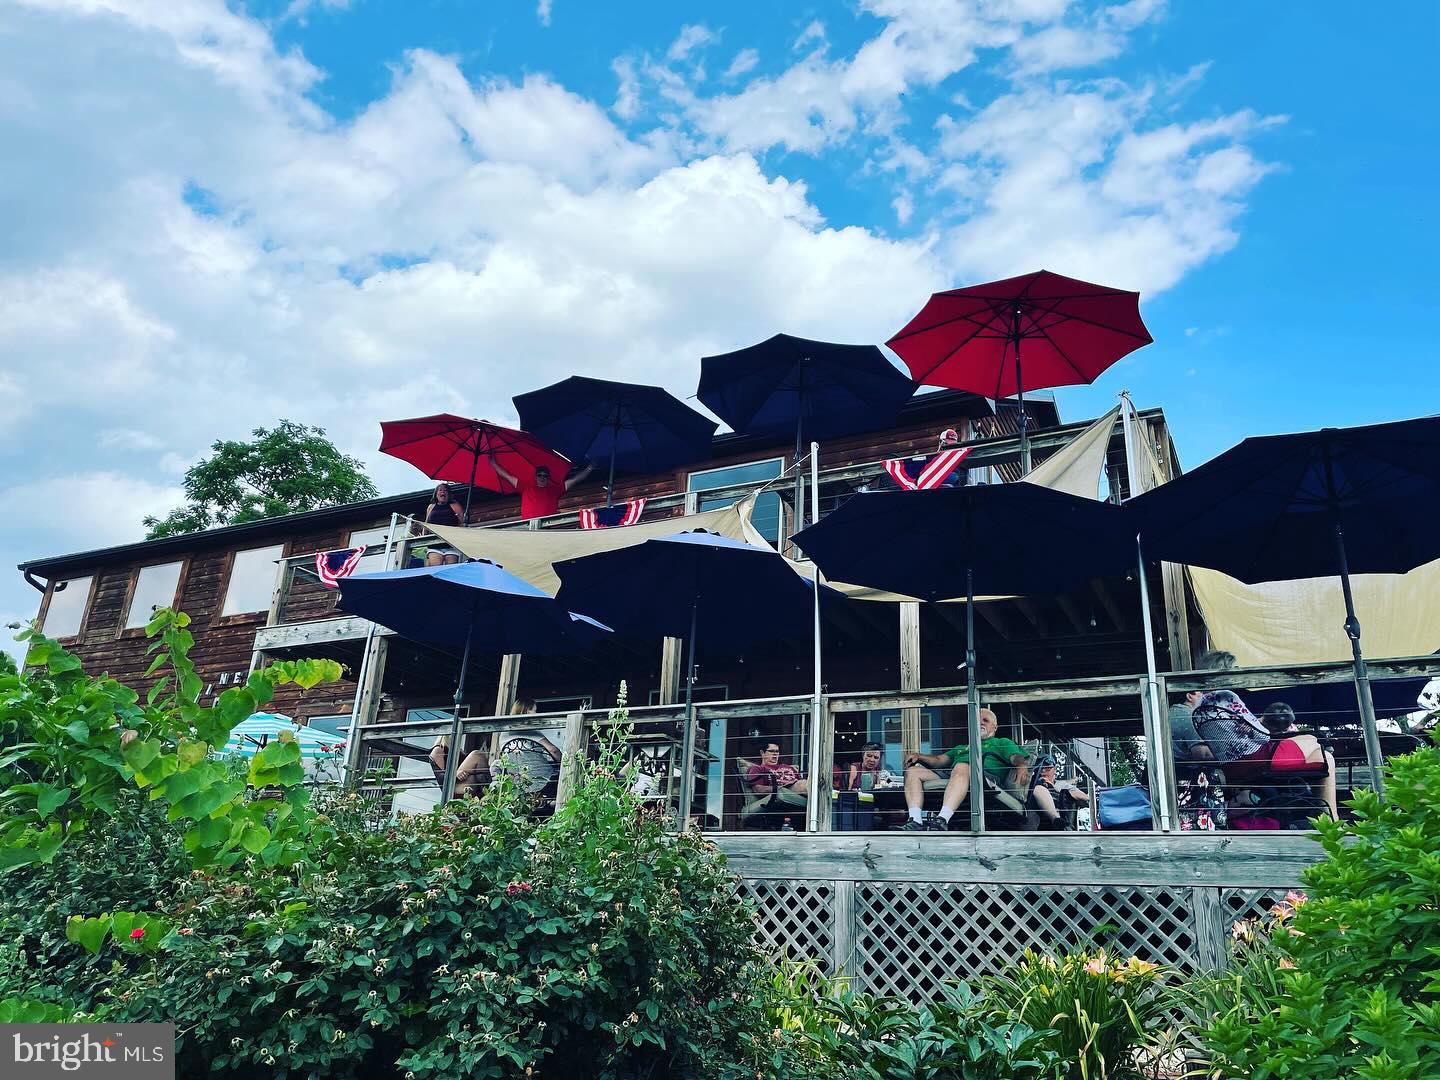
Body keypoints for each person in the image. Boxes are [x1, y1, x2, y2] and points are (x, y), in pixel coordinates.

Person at [1189, 652, 1339, 820]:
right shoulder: (1228, 696)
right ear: (1224, 671)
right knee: (1313, 740)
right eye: (1234, 668)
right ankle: (1329, 817)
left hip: (1232, 766)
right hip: (1259, 758)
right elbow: (1263, 736)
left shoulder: (1198, 707)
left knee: (1325, 756)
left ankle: (1325, 814)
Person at [897, 707, 1029, 831]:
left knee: (962, 766)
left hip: (984, 778)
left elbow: (1015, 757)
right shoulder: (962, 747)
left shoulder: (1002, 742)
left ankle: (942, 819)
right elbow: (938, 761)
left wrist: (1022, 765)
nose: (980, 723)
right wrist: (918, 756)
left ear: (995, 727)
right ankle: (915, 821)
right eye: (977, 720)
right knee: (912, 772)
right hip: (955, 776)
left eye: (985, 720)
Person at [488, 453, 594, 520]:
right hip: (528, 526)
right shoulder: (525, 487)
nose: (542, 477)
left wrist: (590, 468)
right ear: (536, 477)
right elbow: (507, 476)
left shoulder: (555, 490)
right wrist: (493, 464)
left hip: (547, 526)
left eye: (545, 475)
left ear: (548, 477)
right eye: (540, 475)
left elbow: (574, 480)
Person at [1025, 755, 1088, 831]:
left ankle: (1058, 821)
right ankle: (1056, 819)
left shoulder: (1062, 785)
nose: (1043, 772)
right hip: (1037, 819)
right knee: (1038, 789)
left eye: (1047, 769)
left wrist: (1057, 790)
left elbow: (1085, 798)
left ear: (1054, 770)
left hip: (1060, 818)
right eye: (1040, 769)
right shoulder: (1033, 784)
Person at [423, 483, 466, 566]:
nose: (443, 492)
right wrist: (424, 541)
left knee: (450, 570)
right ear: (436, 494)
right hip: (434, 544)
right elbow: (426, 524)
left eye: (445, 490)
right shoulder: (431, 507)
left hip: (451, 544)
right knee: (435, 570)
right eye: (440, 490)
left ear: (449, 494)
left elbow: (462, 523)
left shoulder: (455, 506)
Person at [745, 741, 810, 796]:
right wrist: (783, 789)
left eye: (777, 751)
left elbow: (801, 781)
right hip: (782, 794)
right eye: (771, 751)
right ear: (762, 753)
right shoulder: (757, 769)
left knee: (810, 783)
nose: (775, 755)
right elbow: (758, 790)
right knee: (806, 785)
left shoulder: (789, 768)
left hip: (799, 791)